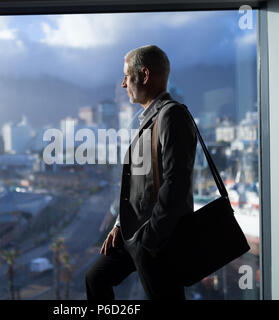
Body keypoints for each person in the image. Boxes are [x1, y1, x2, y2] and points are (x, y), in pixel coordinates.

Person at [85, 45, 197, 300]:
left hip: (157, 240)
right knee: (95, 278)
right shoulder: (148, 118)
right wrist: (119, 224)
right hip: (135, 233)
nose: (123, 84)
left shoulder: (172, 116)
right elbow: (138, 183)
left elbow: (176, 184)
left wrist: (150, 239)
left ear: (144, 76)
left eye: (127, 76)